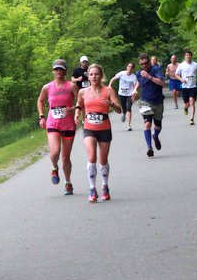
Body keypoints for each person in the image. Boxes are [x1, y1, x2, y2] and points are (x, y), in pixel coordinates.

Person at [74, 64, 122, 202]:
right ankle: (92, 188)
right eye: (91, 74)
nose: (94, 77)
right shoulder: (83, 91)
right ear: (88, 77)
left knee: (103, 160)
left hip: (104, 128)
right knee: (92, 156)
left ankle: (105, 186)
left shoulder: (108, 90)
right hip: (89, 127)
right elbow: (79, 104)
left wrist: (111, 104)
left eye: (96, 74)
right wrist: (77, 113)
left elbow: (119, 110)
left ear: (101, 76)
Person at [37, 59, 79, 195]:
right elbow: (40, 100)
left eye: (61, 69)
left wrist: (72, 110)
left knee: (65, 157)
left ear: (65, 71)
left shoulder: (71, 86)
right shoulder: (47, 87)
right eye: (56, 69)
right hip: (53, 123)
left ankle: (68, 182)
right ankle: (54, 167)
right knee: (55, 152)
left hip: (68, 124)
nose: (58, 71)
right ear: (53, 71)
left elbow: (81, 102)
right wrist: (42, 116)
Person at [132, 53, 165, 158]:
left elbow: (161, 83)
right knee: (147, 124)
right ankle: (149, 148)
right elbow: (140, 82)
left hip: (158, 101)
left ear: (149, 61)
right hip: (145, 102)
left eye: (146, 63)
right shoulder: (138, 73)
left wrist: (149, 77)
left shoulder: (156, 69)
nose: (144, 65)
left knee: (158, 126)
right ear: (140, 63)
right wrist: (135, 90)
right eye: (142, 64)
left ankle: (155, 136)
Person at [173, 50, 197, 125]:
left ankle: (191, 119)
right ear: (185, 56)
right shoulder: (181, 65)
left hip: (193, 86)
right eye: (186, 55)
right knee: (187, 104)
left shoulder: (195, 64)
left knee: (192, 101)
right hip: (185, 87)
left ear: (191, 56)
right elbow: (176, 74)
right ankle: (185, 108)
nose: (188, 56)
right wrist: (181, 79)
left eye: (189, 55)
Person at [108, 62, 137, 131]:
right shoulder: (122, 73)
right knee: (124, 108)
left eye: (131, 67)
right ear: (127, 67)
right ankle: (124, 113)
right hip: (121, 94)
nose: (130, 68)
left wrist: (134, 93)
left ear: (133, 69)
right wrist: (109, 85)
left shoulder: (134, 77)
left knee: (129, 108)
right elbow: (113, 79)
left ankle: (128, 125)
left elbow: (135, 86)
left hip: (129, 94)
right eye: (129, 66)